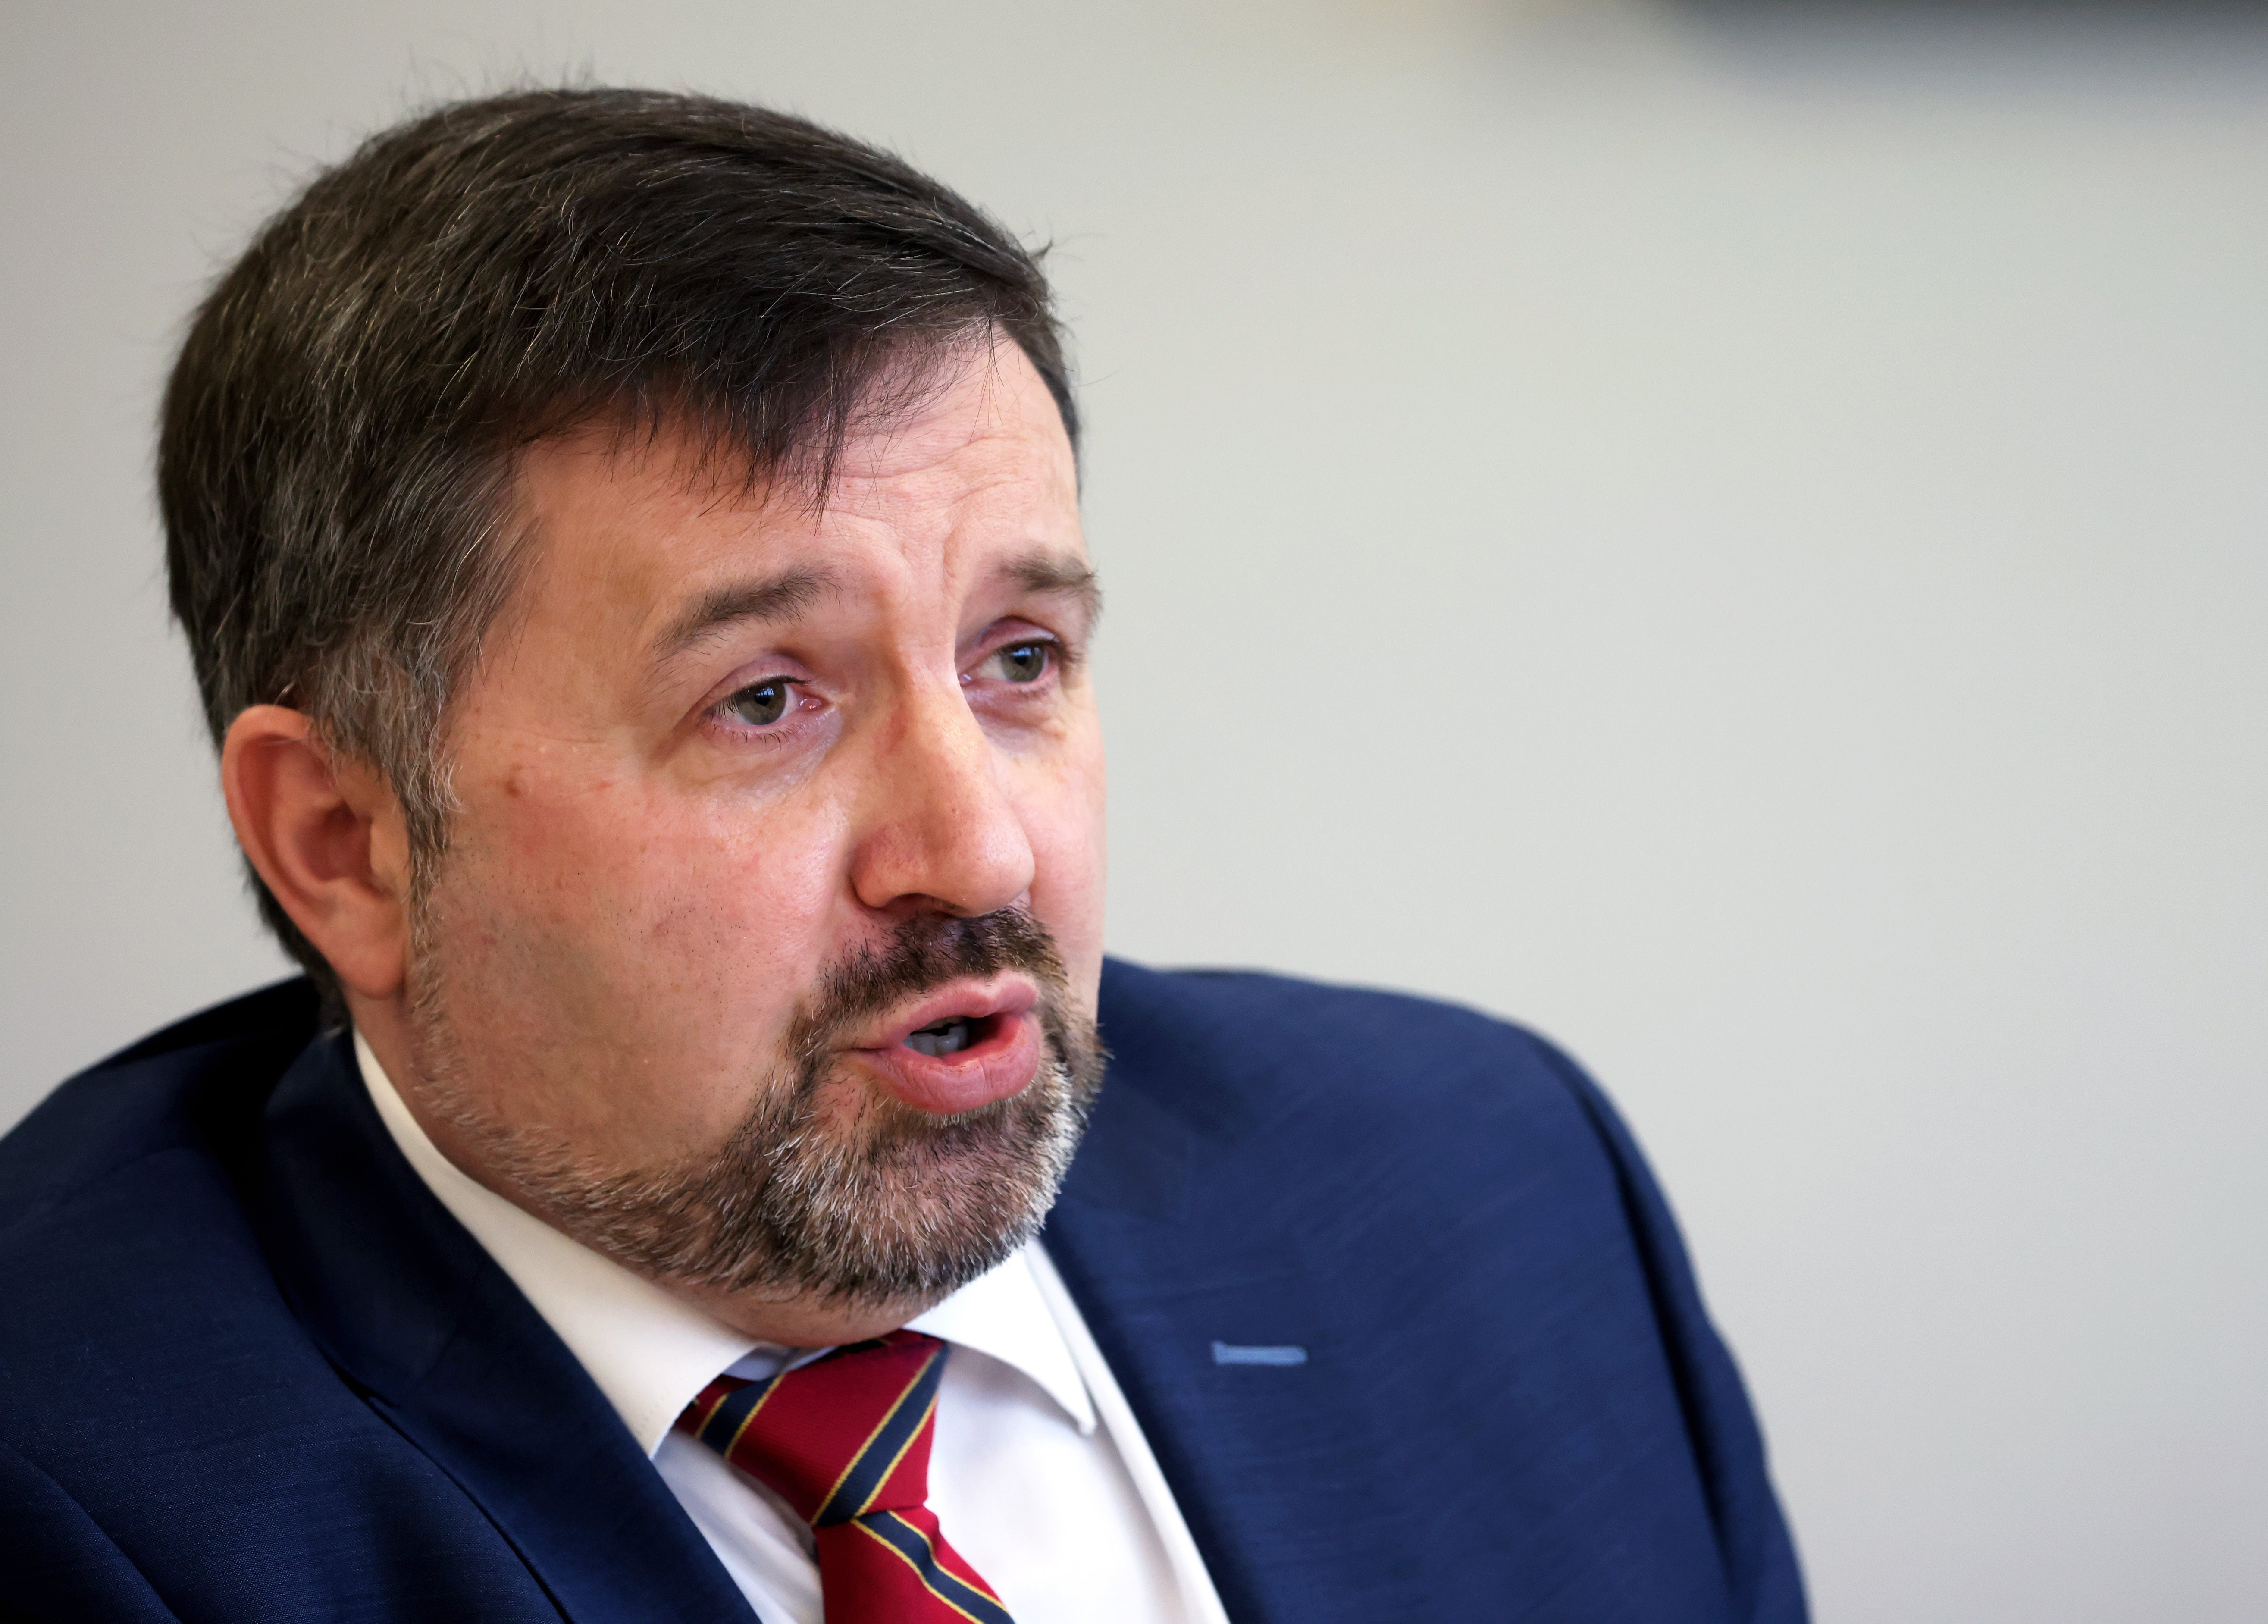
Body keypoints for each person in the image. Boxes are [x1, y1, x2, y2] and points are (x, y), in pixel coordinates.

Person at [0, 88, 1806, 1624]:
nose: (980, 849)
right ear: (350, 844)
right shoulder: (84, 1485)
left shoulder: (1492, 1188)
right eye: (770, 698)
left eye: (1020, 660)